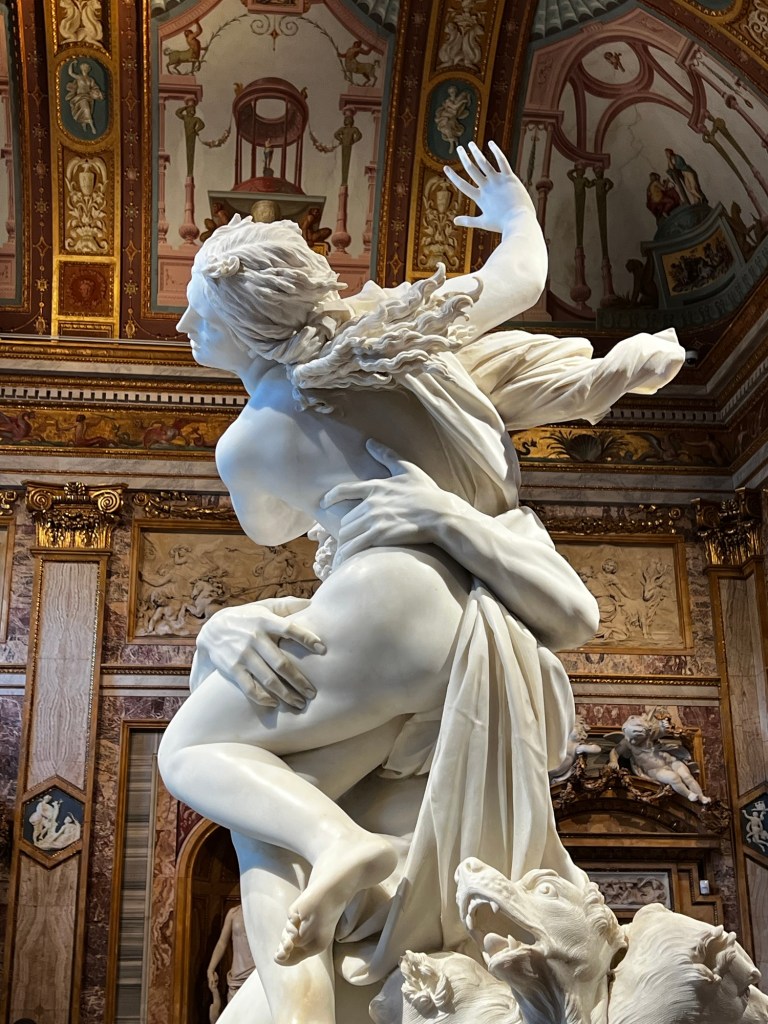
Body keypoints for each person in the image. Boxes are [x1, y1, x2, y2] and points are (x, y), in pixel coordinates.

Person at [158, 141, 683, 1024]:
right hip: (467, 611)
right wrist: (512, 209)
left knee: (189, 752)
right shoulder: (400, 336)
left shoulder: (249, 442)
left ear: (247, 327)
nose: (182, 327)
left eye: (199, 316)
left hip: (378, 602)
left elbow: (274, 526)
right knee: (265, 805)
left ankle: (339, 844)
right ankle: (300, 1004)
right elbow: (519, 278)